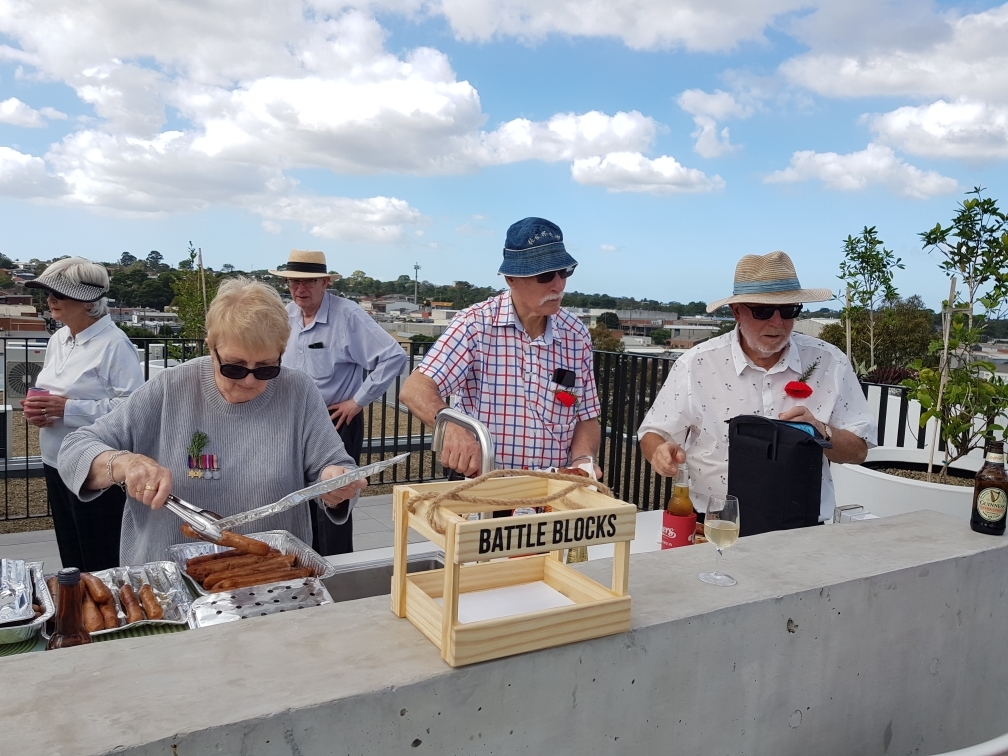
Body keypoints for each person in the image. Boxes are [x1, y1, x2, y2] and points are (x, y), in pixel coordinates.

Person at [57, 277, 367, 566]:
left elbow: (336, 465)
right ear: (211, 348)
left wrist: (336, 482)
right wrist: (125, 464)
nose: (249, 381)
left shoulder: (298, 391)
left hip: (268, 575)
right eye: (234, 367)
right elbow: (75, 448)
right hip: (168, 578)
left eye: (265, 369)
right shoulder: (170, 387)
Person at [638, 251, 876, 523]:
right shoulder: (696, 364)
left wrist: (821, 432)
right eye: (763, 311)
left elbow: (859, 450)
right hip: (716, 523)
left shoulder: (829, 362)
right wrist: (659, 452)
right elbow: (654, 433)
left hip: (803, 528)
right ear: (736, 312)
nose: (777, 322)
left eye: (788, 310)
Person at [400, 217, 602, 479]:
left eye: (564, 272)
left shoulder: (576, 334)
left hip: (552, 487)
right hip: (483, 483)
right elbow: (414, 389)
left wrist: (584, 460)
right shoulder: (475, 325)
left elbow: (586, 416)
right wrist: (451, 426)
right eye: (545, 275)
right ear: (511, 278)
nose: (559, 285)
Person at [270, 250, 407, 555]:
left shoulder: (347, 315)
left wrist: (357, 401)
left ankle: (336, 576)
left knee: (333, 504)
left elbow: (393, 356)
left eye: (309, 281)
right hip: (292, 423)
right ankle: (300, 570)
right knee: (296, 501)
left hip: (335, 420)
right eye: (294, 281)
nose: (300, 289)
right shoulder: (285, 315)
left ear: (325, 282)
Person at [22, 258, 145, 571]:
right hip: (55, 461)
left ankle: (106, 618)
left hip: (96, 469)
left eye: (59, 294)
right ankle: (77, 612)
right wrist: (40, 413)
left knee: (99, 556)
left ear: (88, 300)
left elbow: (134, 409)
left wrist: (68, 409)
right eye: (48, 293)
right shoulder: (58, 339)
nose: (50, 300)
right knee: (71, 551)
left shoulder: (115, 345)